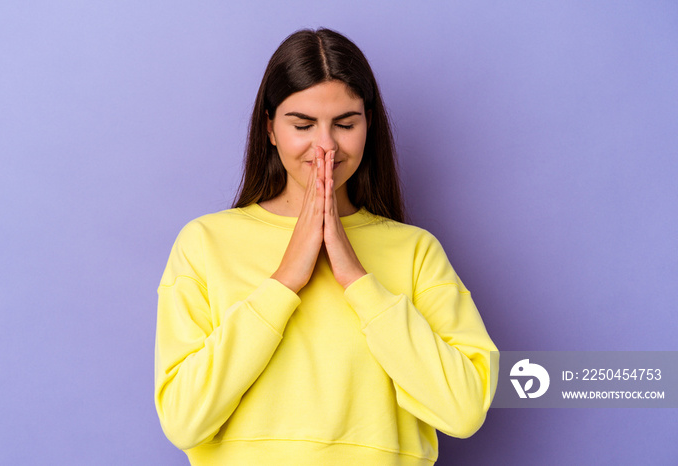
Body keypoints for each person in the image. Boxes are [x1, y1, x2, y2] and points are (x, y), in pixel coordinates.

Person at [155, 28, 499, 466]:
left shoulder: (416, 252)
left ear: (368, 126)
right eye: (302, 125)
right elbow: (183, 421)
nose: (326, 147)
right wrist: (284, 282)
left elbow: (464, 410)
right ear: (270, 129)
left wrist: (357, 279)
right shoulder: (204, 243)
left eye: (345, 124)